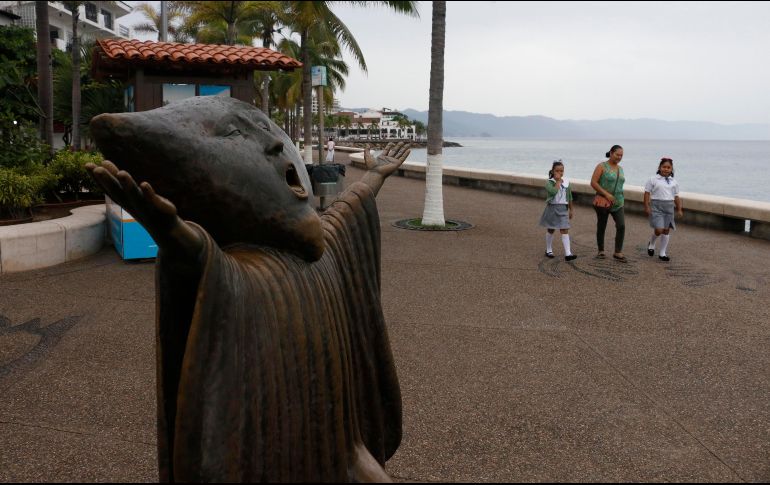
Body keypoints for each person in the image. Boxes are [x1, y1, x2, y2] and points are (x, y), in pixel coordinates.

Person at [590, 144, 627, 261]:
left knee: (621, 225)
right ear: (611, 153)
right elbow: (593, 182)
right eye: (617, 154)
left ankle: (618, 252)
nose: (619, 157)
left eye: (621, 155)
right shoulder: (602, 166)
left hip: (618, 202)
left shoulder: (620, 169)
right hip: (603, 202)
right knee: (602, 225)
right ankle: (601, 250)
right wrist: (606, 194)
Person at [644, 157, 683, 261]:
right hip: (656, 206)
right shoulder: (653, 179)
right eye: (664, 167)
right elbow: (647, 193)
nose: (666, 169)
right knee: (659, 229)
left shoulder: (673, 181)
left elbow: (676, 196)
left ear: (671, 169)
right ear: (660, 167)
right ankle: (651, 243)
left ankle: (662, 253)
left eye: (668, 167)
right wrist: (647, 206)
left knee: (666, 230)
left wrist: (679, 209)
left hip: (669, 207)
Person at [539, 159, 577, 261]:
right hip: (552, 208)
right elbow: (552, 192)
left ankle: (568, 253)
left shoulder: (567, 183)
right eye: (557, 171)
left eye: (561, 171)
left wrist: (571, 210)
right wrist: (558, 182)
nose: (560, 173)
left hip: (563, 209)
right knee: (551, 229)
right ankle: (549, 250)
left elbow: (569, 197)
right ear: (552, 171)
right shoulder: (549, 182)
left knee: (565, 229)